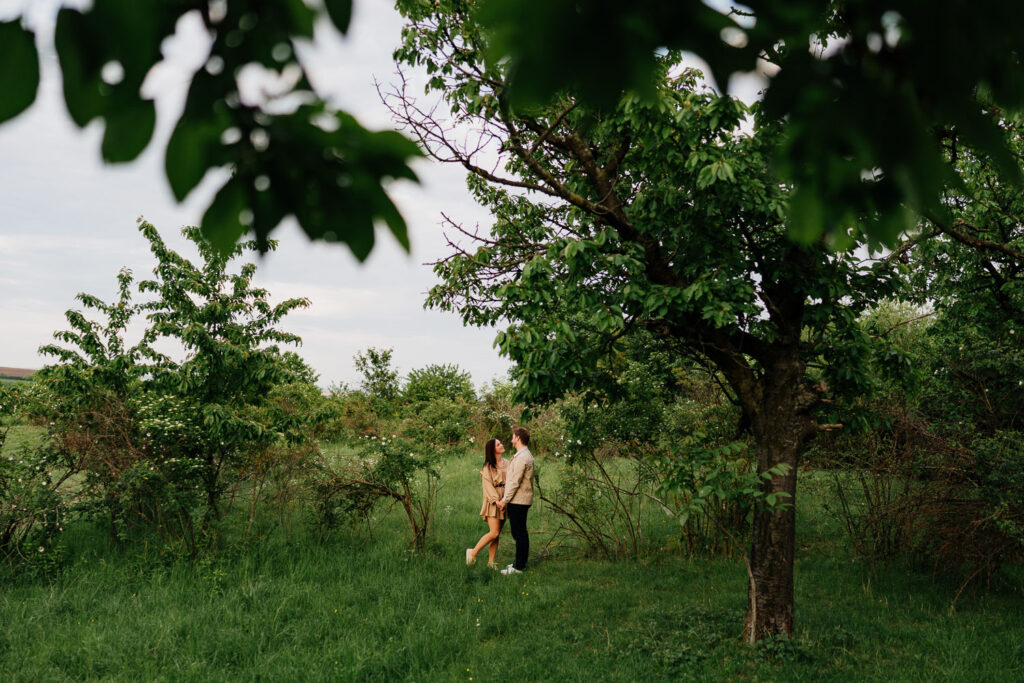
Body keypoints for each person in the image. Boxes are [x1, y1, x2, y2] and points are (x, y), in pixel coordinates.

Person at [497, 426, 534, 574]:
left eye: (513, 436)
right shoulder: (522, 455)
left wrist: (504, 500)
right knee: (519, 533)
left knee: (519, 533)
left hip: (519, 501)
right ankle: (518, 563)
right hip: (519, 500)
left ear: (518, 438)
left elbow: (514, 482)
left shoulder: (523, 457)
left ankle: (519, 567)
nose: (511, 439)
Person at [466, 438, 507, 568]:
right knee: (493, 532)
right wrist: (497, 501)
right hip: (493, 501)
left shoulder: (507, 462)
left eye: (501, 443)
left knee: (497, 533)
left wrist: (505, 500)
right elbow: (487, 486)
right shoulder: (488, 466)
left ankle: (491, 562)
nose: (502, 445)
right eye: (498, 444)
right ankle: (472, 552)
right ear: (493, 449)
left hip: (505, 499)